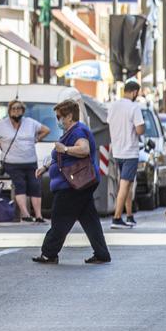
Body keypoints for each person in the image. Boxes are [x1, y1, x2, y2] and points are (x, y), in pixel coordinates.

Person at [32, 99, 111, 264]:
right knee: (90, 220)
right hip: (79, 184)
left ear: (69, 116)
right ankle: (102, 253)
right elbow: (59, 156)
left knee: (60, 218)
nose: (57, 120)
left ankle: (49, 253)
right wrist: (46, 167)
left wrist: (66, 149)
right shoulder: (70, 131)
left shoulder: (77, 131)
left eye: (59, 116)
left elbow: (84, 149)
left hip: (72, 186)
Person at [0, 100, 51, 222]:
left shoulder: (30, 123)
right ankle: (25, 214)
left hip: (30, 161)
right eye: (13, 109)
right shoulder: (1, 125)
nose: (16, 111)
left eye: (19, 108)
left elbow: (46, 130)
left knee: (35, 186)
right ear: (9, 111)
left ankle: (39, 215)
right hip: (12, 162)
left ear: (23, 111)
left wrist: (37, 139)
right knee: (20, 186)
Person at [108, 79, 146, 229]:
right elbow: (139, 130)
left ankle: (129, 216)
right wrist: (142, 127)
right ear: (135, 92)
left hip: (117, 151)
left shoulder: (113, 106)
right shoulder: (134, 107)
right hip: (130, 151)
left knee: (127, 184)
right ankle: (117, 218)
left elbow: (109, 123)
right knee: (125, 185)